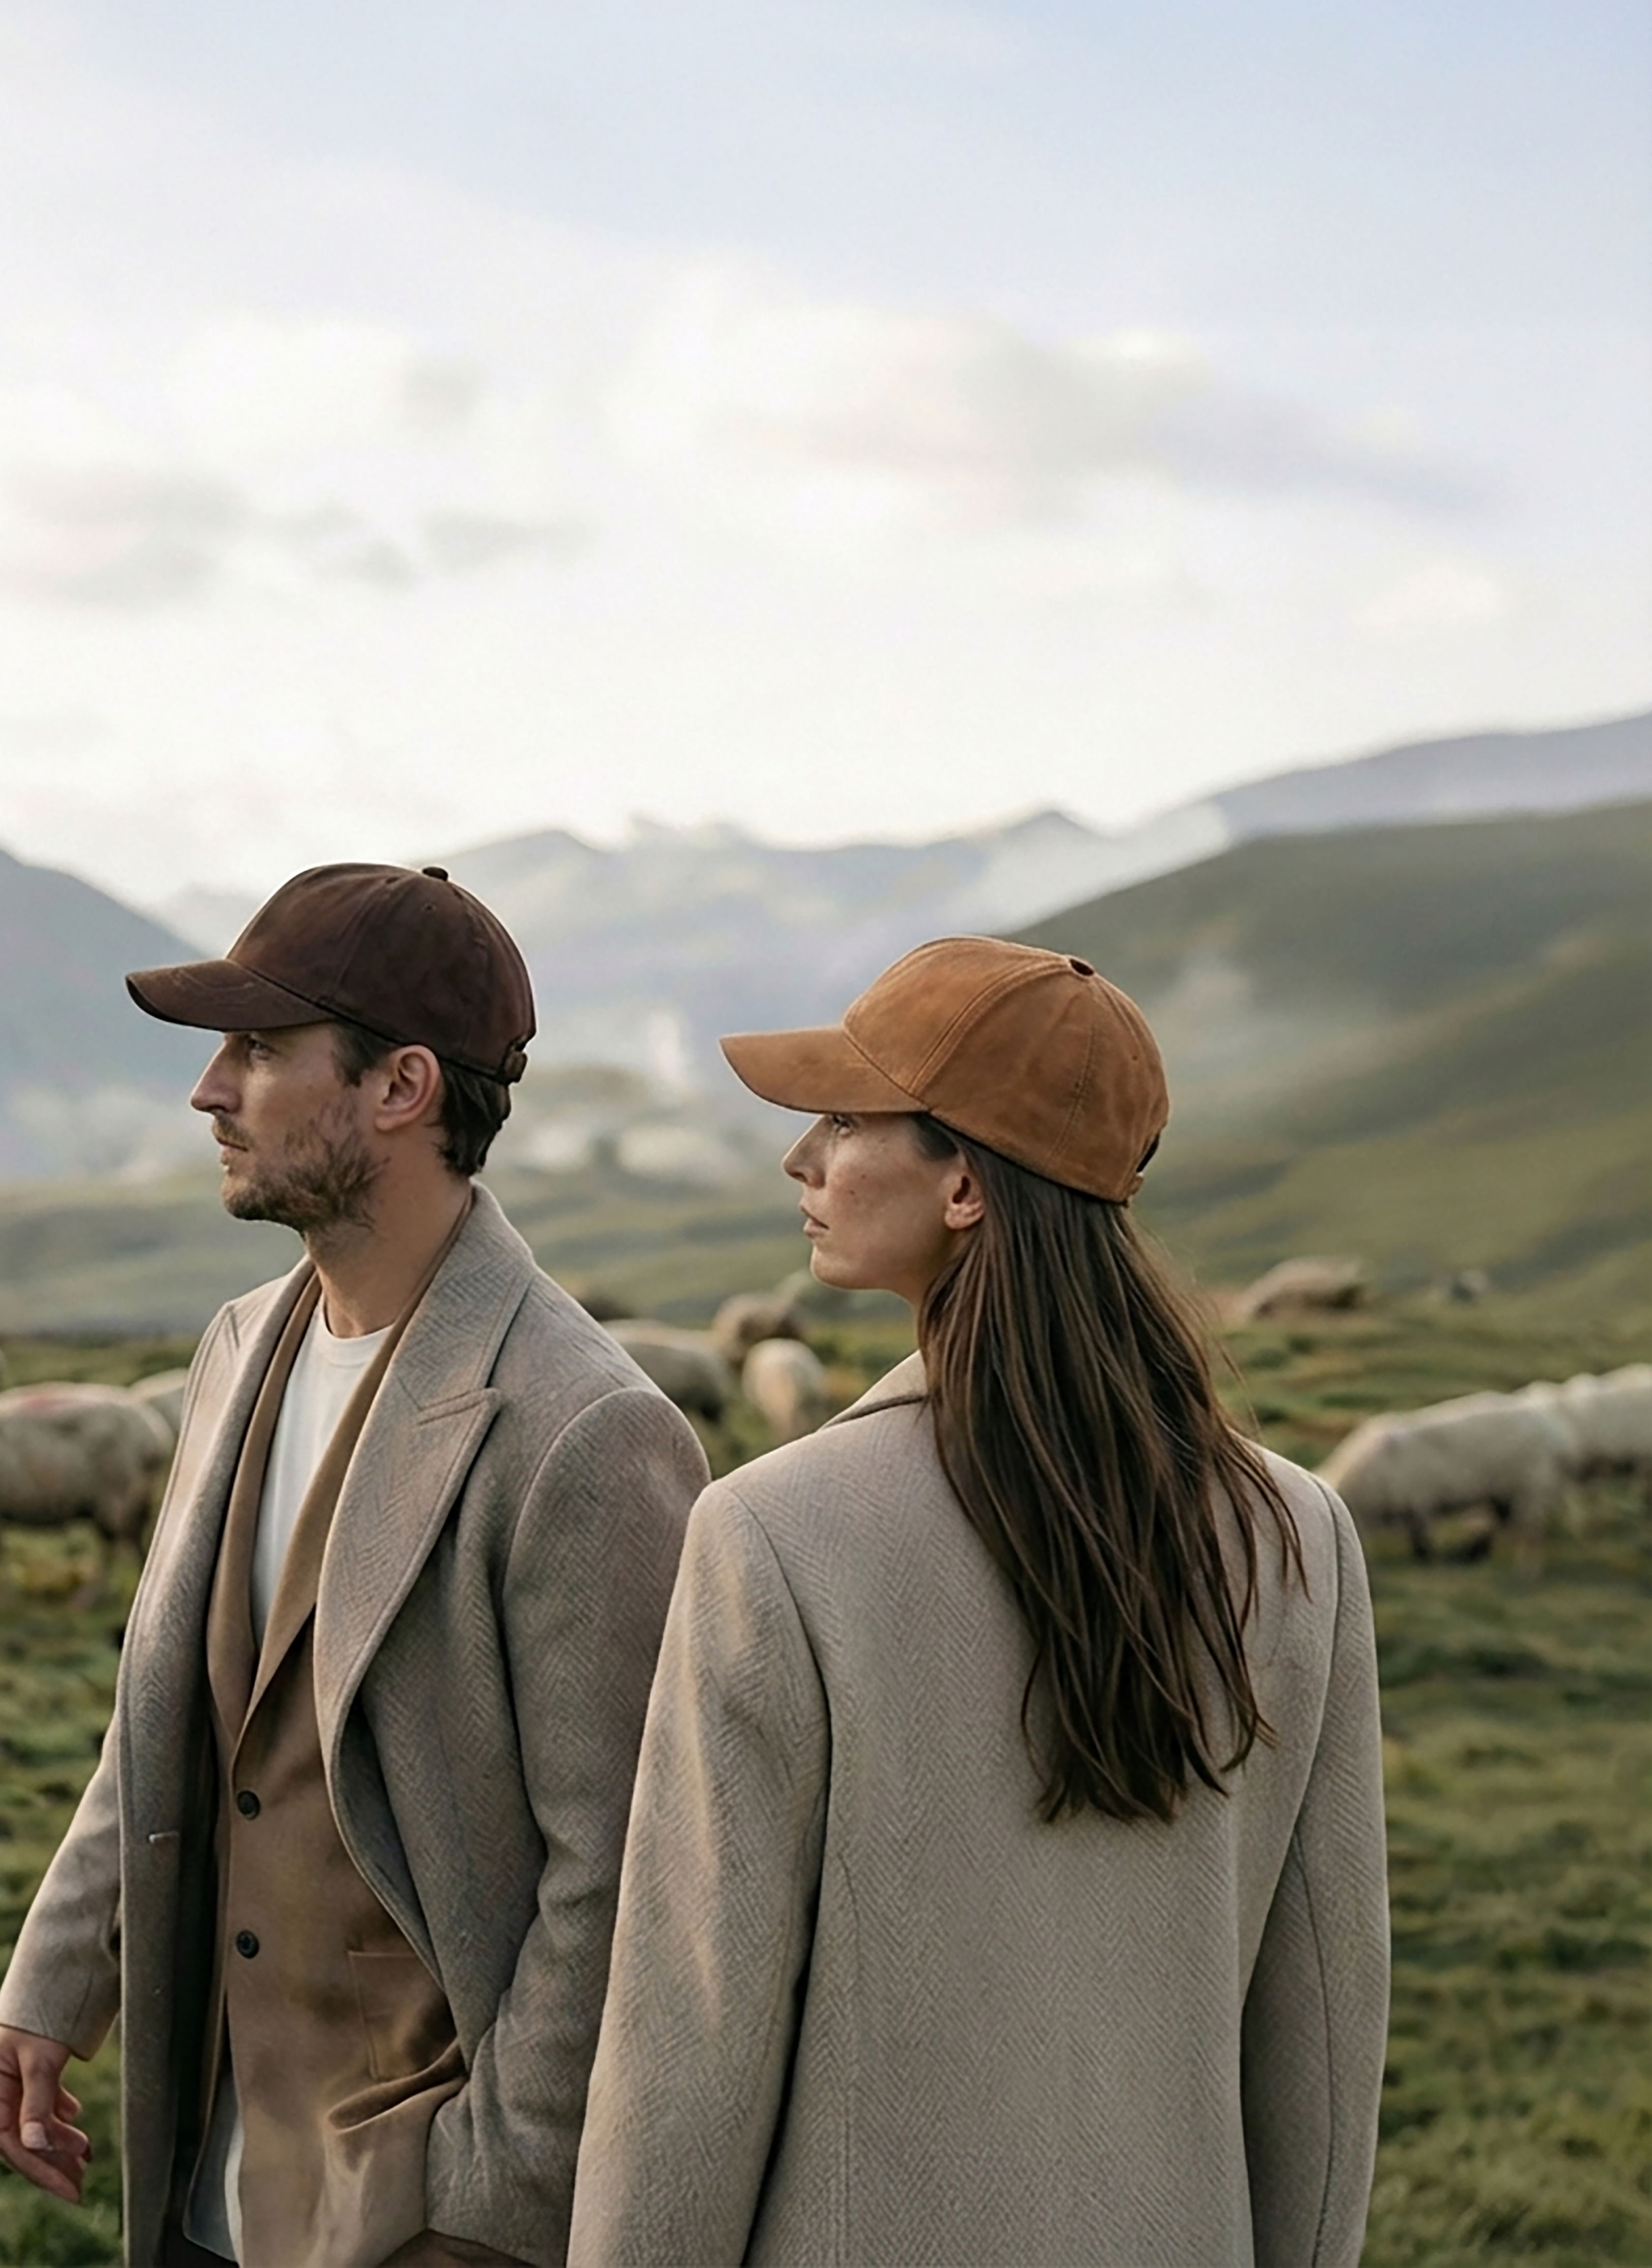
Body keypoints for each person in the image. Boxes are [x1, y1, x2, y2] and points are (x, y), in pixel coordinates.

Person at [569, 936, 1389, 2268]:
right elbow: (1328, 2033)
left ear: (962, 1180)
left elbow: (689, 2060)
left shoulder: (773, 1536)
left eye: (842, 1118)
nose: (803, 1158)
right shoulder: (1300, 1536)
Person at [0, 862, 709, 2268]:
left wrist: (490, 2208)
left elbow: (620, 1878)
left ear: (401, 1087)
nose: (209, 1090)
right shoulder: (238, 1346)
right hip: (205, 2184)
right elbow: (169, 1714)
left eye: (257, 1049)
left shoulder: (587, 1428)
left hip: (408, 2211)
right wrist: (53, 1986)